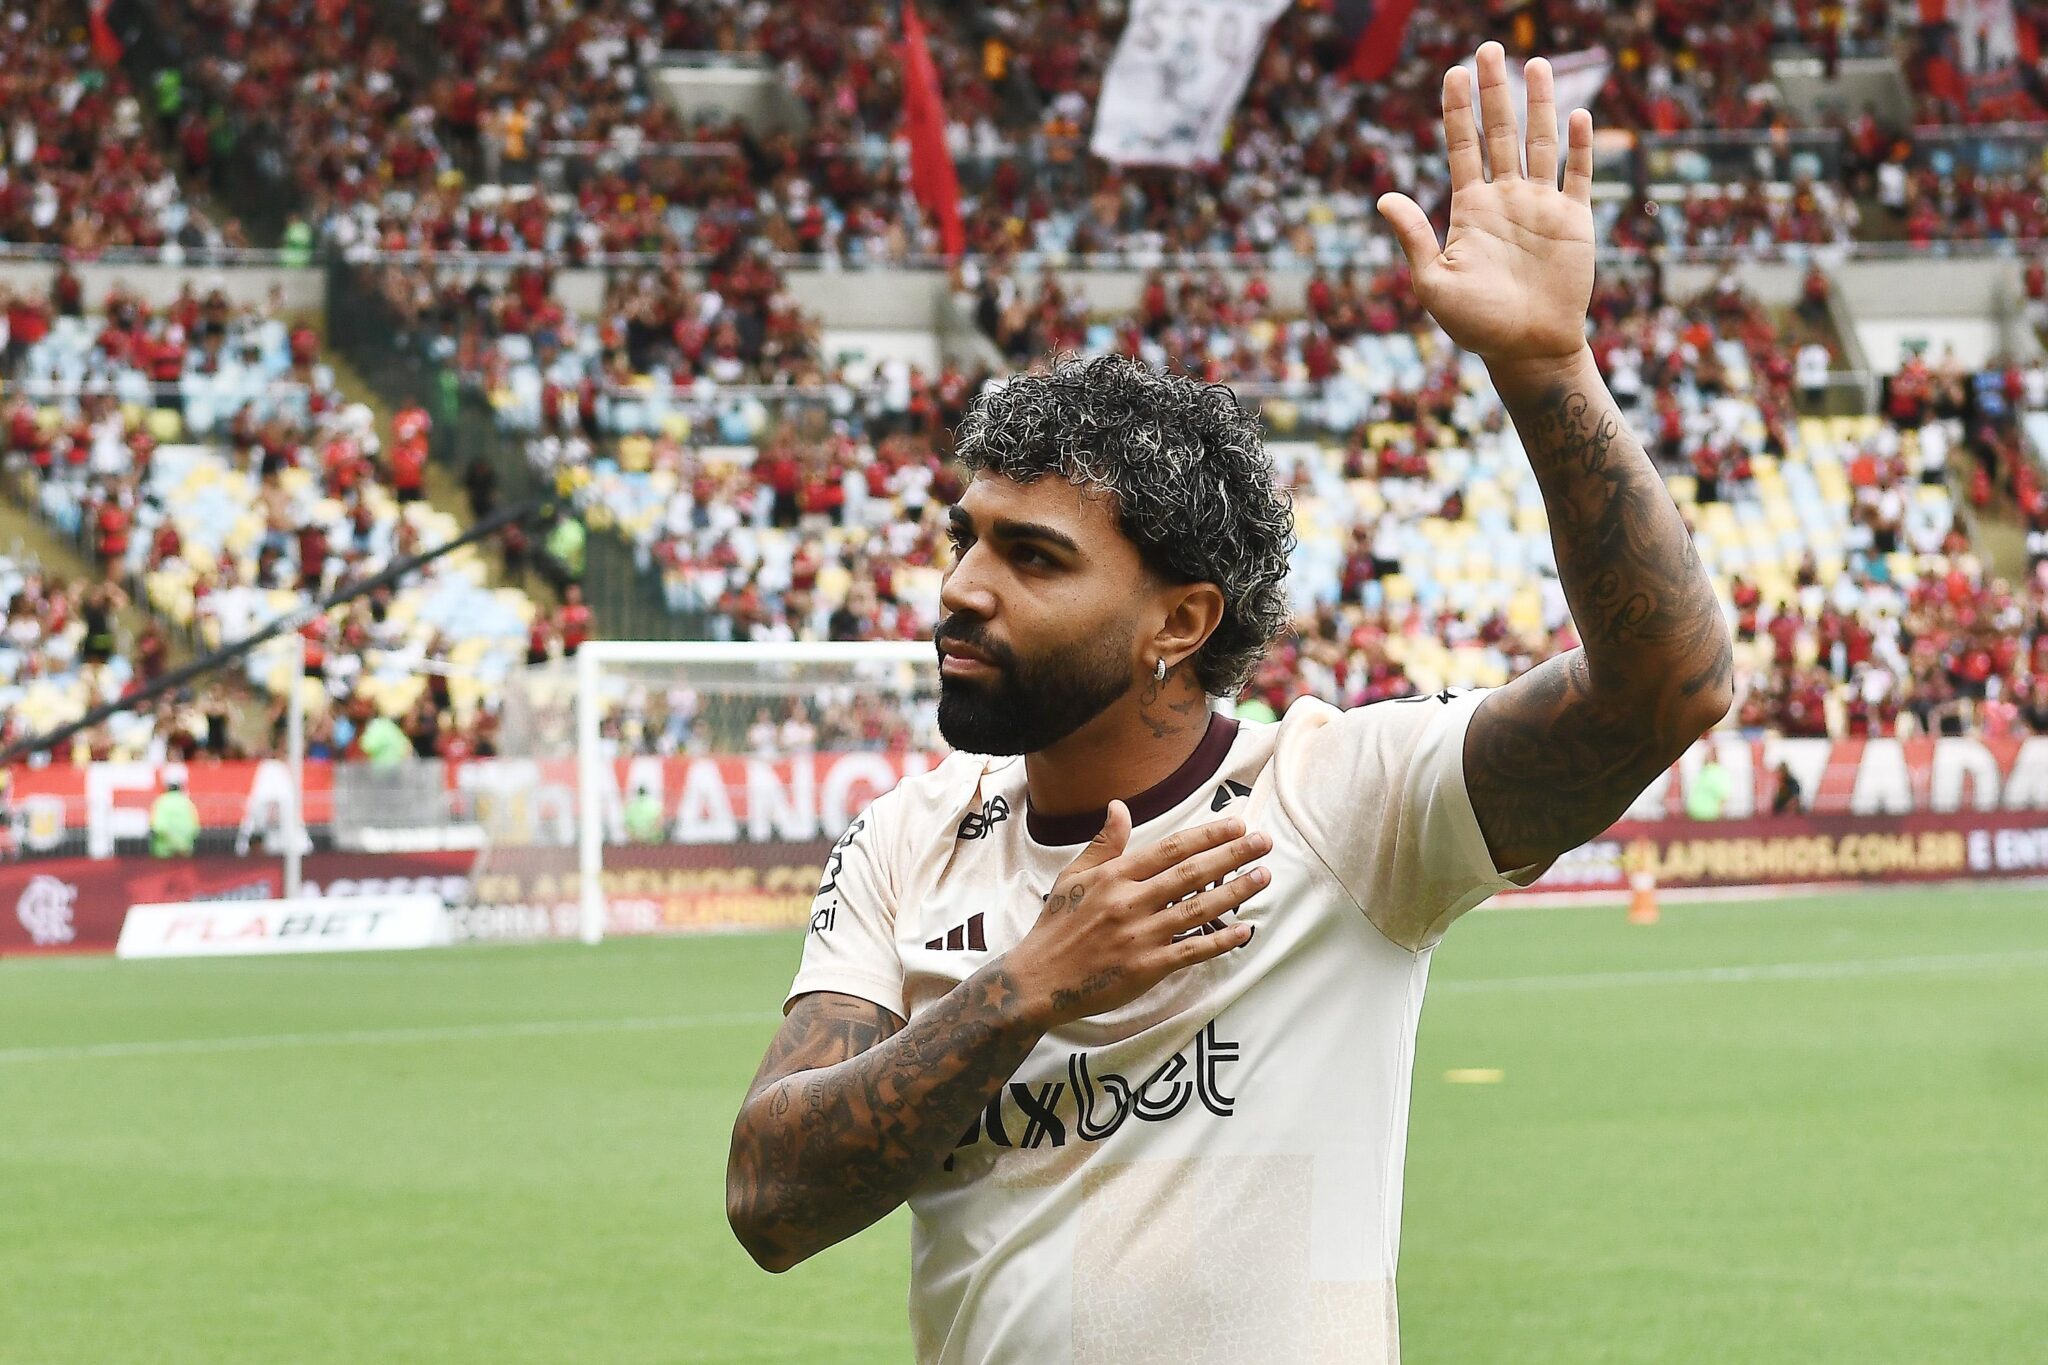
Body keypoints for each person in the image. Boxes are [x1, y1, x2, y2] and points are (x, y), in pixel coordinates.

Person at [726, 46, 1733, 1365]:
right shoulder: (903, 841)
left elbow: (1666, 691)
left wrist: (1547, 368)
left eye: (1032, 558)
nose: (961, 588)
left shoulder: (1342, 806)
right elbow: (770, 1201)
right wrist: (1023, 988)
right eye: (964, 537)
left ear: (1180, 622)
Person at [149, 769, 200, 858]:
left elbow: (157, 827)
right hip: (185, 853)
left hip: (164, 854)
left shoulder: (161, 802)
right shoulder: (187, 802)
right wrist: (181, 845)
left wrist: (173, 842)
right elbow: (195, 828)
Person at [1687, 751, 1734, 820]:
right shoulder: (1720, 772)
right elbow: (1723, 795)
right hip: (1710, 813)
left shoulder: (1704, 772)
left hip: (1695, 812)